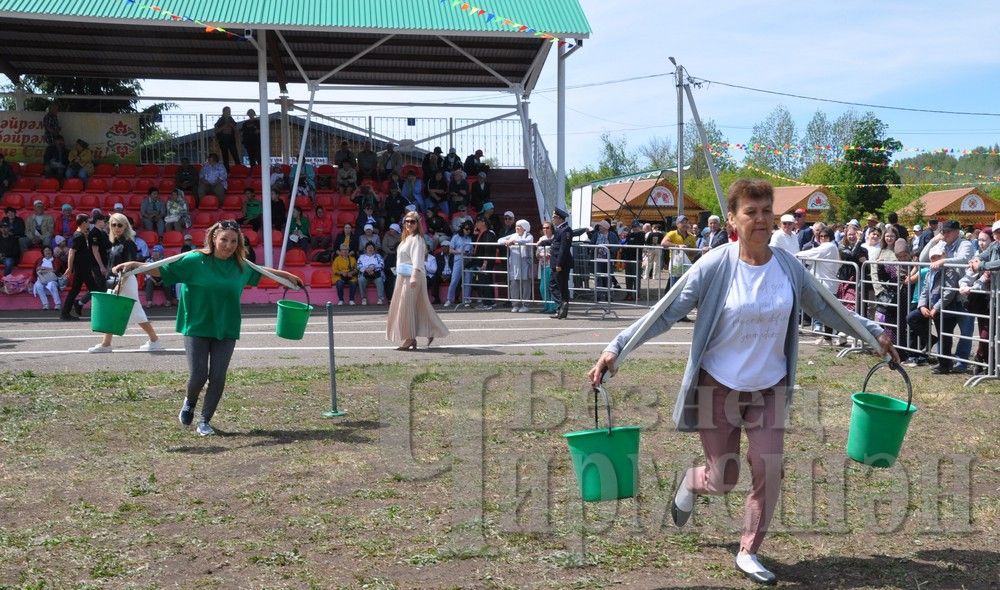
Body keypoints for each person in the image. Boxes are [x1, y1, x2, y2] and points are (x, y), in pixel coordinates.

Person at [588, 179, 898, 586]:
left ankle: (749, 549)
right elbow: (664, 312)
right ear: (733, 219)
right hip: (718, 387)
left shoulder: (788, 268)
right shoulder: (715, 266)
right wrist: (617, 348)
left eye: (766, 210)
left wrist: (872, 333)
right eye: (751, 212)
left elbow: (826, 306)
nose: (761, 219)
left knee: (769, 467)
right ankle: (691, 481)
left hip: (770, 387)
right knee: (723, 479)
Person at [113, 220, 304, 436]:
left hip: (226, 326)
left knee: (218, 375)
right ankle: (190, 401)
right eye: (224, 239)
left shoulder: (241, 266)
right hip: (197, 324)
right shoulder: (195, 260)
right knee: (198, 375)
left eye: (233, 241)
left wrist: (287, 276)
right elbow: (164, 270)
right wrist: (136, 266)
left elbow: (263, 272)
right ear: (214, 238)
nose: (228, 245)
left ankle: (205, 420)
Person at [87, 213, 164, 353]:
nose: (116, 227)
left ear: (125, 226)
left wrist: (119, 285)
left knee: (133, 312)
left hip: (125, 281)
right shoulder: (115, 243)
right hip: (117, 281)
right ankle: (153, 340)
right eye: (113, 225)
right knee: (126, 311)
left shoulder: (128, 243)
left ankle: (107, 344)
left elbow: (129, 268)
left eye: (120, 225)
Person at [385, 211, 449, 350]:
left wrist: (413, 276)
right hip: (403, 277)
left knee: (406, 307)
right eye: (407, 221)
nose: (409, 224)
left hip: (413, 276)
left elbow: (417, 261)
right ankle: (428, 331)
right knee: (419, 306)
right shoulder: (405, 239)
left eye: (412, 221)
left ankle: (409, 338)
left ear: (417, 224)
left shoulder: (417, 239)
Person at [60, 214, 104, 321]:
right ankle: (102, 314)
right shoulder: (78, 236)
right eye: (88, 222)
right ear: (84, 223)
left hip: (83, 268)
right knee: (96, 290)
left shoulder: (81, 234)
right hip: (82, 269)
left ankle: (65, 313)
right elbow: (71, 252)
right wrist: (69, 268)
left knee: (75, 290)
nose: (89, 224)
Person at [540, 207, 575, 319]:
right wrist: (543, 242)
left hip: (561, 264)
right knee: (554, 285)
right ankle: (561, 306)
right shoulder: (560, 229)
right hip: (556, 262)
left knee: (560, 286)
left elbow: (564, 248)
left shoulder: (566, 230)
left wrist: (559, 264)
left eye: (554, 217)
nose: (553, 219)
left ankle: (563, 306)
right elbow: (555, 242)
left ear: (560, 218)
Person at [501, 219, 535, 312]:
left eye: (519, 226)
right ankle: (515, 304)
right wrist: (507, 241)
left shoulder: (529, 236)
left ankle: (525, 305)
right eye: (516, 226)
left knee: (526, 285)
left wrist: (513, 241)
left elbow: (525, 241)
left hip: (525, 264)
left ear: (524, 228)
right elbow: (500, 240)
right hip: (514, 265)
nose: (517, 228)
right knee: (514, 285)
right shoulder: (513, 236)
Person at [444, 221, 473, 307]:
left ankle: (467, 299)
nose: (468, 231)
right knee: (454, 280)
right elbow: (450, 250)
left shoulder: (470, 237)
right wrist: (460, 252)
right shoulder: (456, 237)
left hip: (468, 260)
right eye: (467, 229)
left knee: (468, 280)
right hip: (458, 260)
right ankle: (449, 299)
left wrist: (469, 253)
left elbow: (473, 249)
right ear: (462, 228)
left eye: (470, 229)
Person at [535, 221, 558, 314]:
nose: (545, 229)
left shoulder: (555, 238)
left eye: (547, 228)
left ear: (552, 229)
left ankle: (553, 307)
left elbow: (556, 250)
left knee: (551, 286)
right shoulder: (541, 238)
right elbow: (536, 253)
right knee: (542, 287)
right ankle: (546, 305)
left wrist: (549, 254)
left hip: (551, 265)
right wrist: (540, 254)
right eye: (544, 228)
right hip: (543, 265)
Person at [32, 245, 64, 310]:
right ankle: (45, 304)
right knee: (38, 285)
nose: (47, 252)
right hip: (41, 279)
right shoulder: (39, 260)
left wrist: (44, 269)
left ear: (51, 251)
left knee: (51, 284)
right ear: (43, 252)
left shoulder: (56, 260)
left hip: (52, 279)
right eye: (45, 251)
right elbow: (35, 270)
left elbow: (56, 270)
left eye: (49, 250)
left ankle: (58, 304)